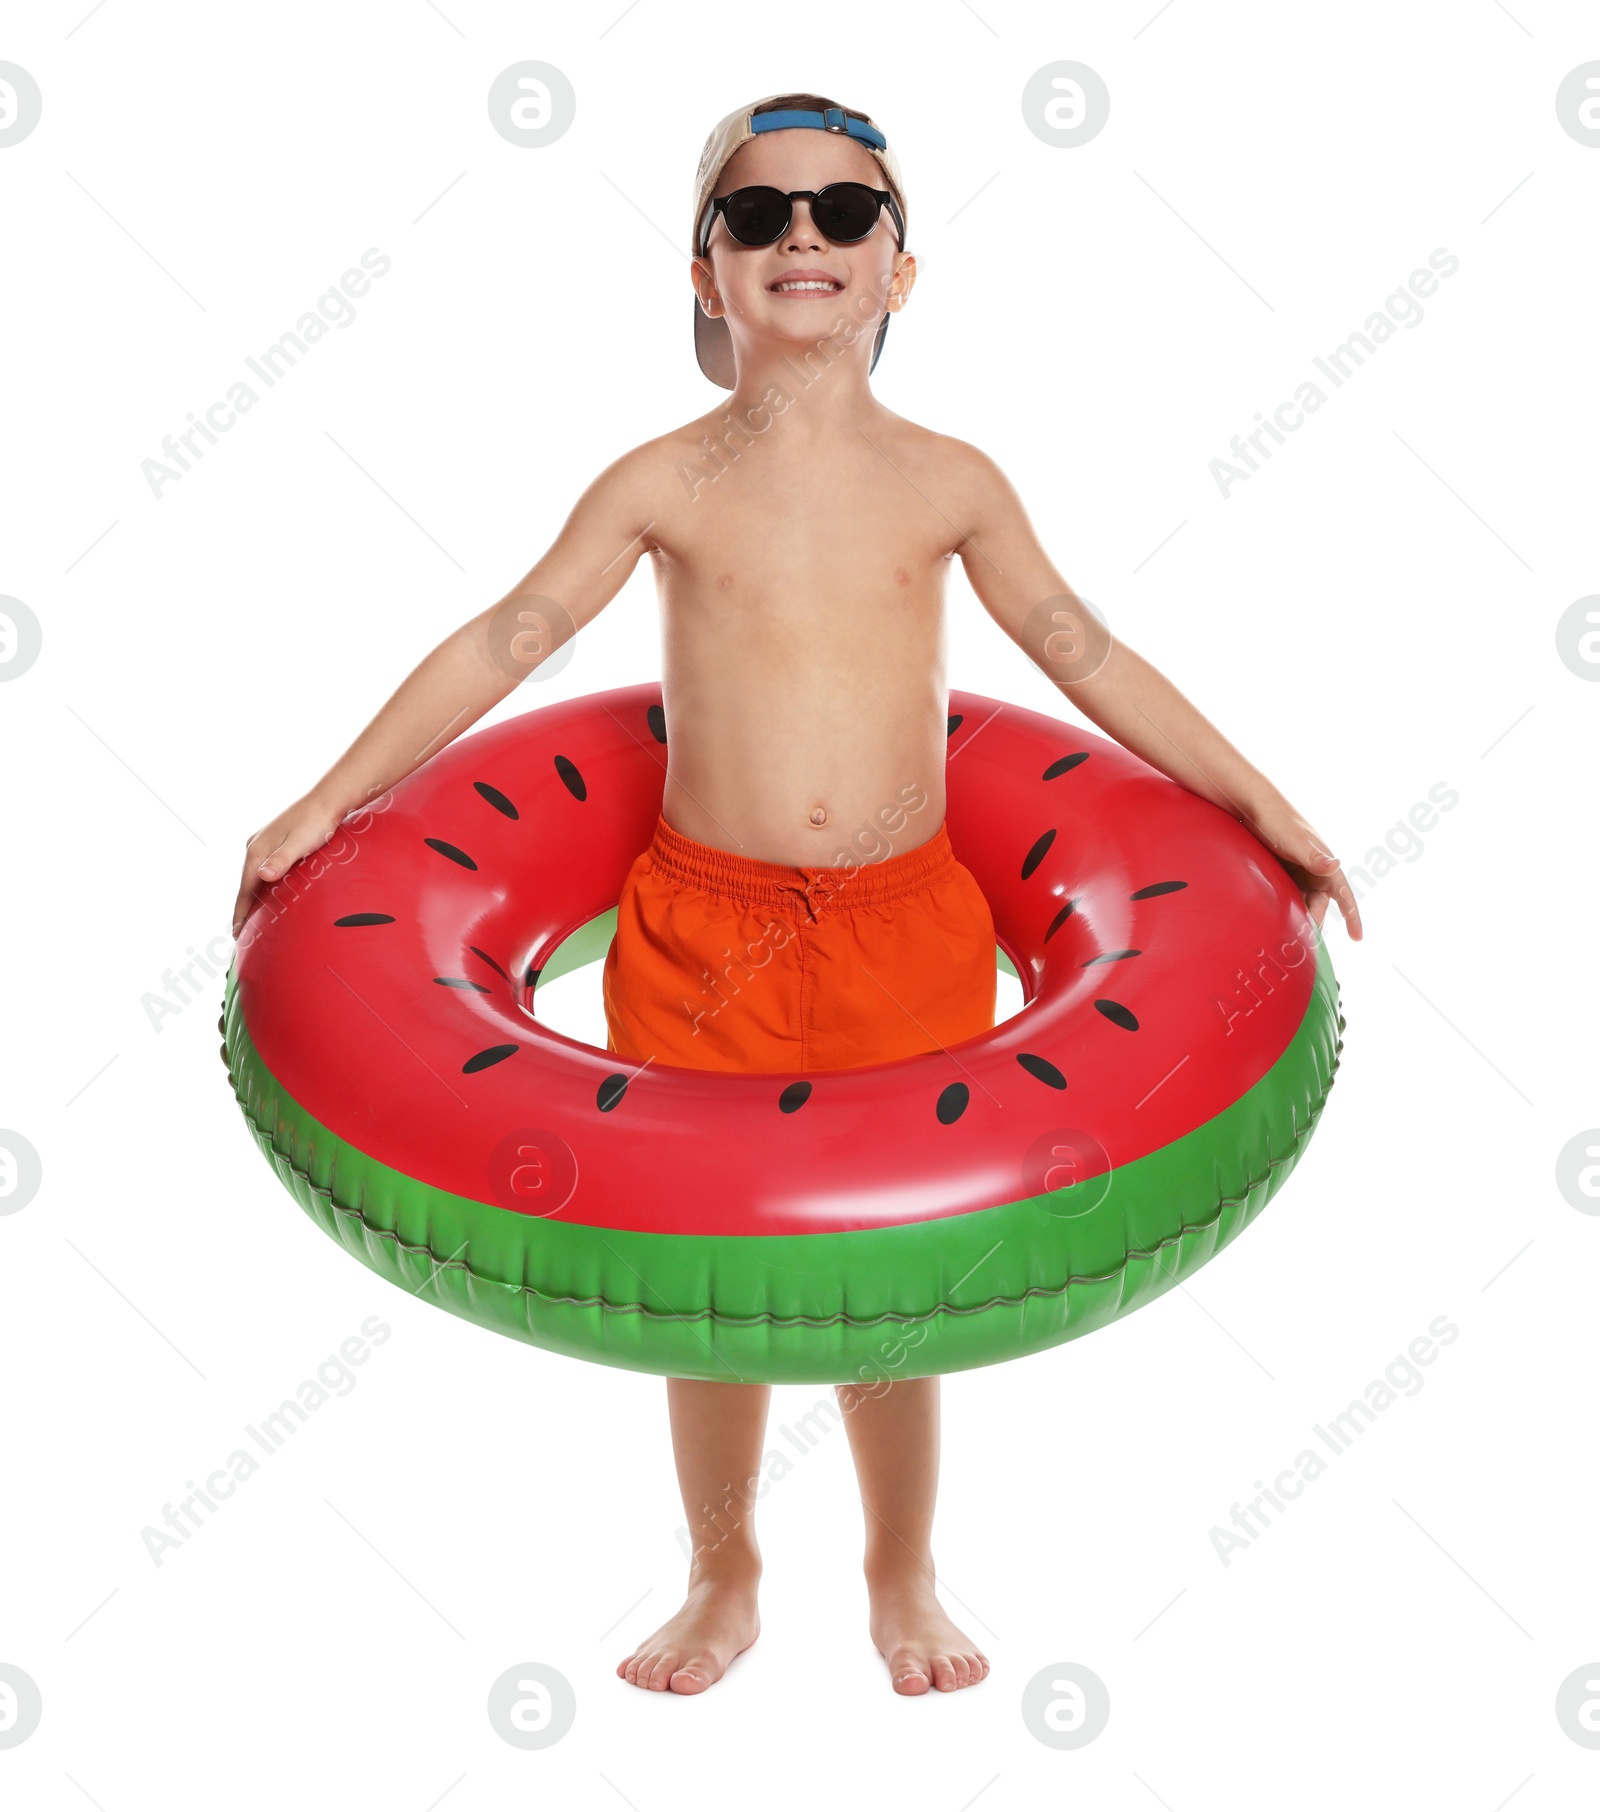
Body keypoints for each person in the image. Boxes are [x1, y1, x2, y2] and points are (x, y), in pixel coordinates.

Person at [231, 91, 1363, 1698]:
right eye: (758, 218)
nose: (804, 240)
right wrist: (326, 799)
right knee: (710, 1270)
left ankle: (900, 1567)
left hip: (905, 917)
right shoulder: (665, 481)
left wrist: (1268, 805)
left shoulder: (952, 482)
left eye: (844, 213)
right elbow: (511, 637)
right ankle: (724, 1573)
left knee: (881, 1276)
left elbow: (1084, 654)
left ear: (903, 272)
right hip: (700, 926)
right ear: (707, 276)